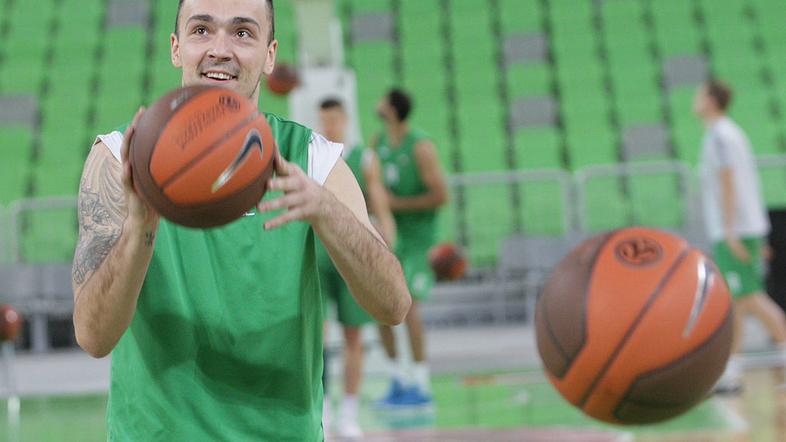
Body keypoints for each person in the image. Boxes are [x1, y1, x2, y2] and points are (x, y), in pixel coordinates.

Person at [70, 1, 411, 440]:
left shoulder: (312, 159)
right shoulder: (119, 156)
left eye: (243, 33)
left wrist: (325, 209)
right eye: (201, 30)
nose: (220, 49)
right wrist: (141, 226)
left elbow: (393, 305)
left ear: (270, 54)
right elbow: (93, 337)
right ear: (176, 48)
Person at [694, 79, 786, 393]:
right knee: (739, 302)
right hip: (741, 228)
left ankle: (733, 371)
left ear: (711, 100)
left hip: (735, 229)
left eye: (700, 94)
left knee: (750, 298)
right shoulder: (724, 133)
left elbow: (728, 180)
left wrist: (731, 231)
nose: (695, 100)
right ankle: (730, 373)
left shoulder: (721, 136)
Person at [317, 98, 395, 437]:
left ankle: (349, 413)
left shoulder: (363, 159)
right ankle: (320, 409)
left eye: (335, 119)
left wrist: (387, 251)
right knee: (315, 339)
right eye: (325, 120)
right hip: (319, 255)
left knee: (353, 337)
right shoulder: (313, 157)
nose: (330, 125)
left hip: (353, 256)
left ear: (346, 120)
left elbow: (379, 205)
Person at [372, 88, 448, 407]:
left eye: (382, 100)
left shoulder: (421, 147)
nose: (376, 105)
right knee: (379, 307)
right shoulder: (378, 143)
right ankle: (397, 378)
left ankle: (421, 380)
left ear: (391, 108)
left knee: (410, 306)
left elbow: (440, 195)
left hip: (417, 240)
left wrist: (396, 204)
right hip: (389, 237)